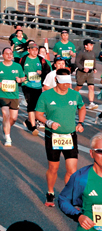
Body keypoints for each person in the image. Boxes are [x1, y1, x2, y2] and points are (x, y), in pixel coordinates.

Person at [35, 68, 86, 207]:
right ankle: (50, 192)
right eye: (63, 82)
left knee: (72, 169)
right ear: (56, 80)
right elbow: (38, 114)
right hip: (53, 136)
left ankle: (69, 195)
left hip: (70, 135)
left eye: (68, 82)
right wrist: (49, 122)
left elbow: (82, 107)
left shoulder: (75, 95)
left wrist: (80, 123)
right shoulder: (46, 96)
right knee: (53, 168)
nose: (66, 85)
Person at [59, 132, 102, 231]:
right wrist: (79, 216)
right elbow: (63, 199)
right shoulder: (81, 177)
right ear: (92, 153)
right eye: (100, 151)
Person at [0, 47, 26, 147]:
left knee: (13, 118)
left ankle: (5, 126)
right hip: (2, 94)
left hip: (14, 95)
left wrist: (20, 80)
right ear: (3, 55)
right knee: (5, 114)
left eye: (11, 53)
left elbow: (23, 77)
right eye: (7, 53)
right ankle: (8, 137)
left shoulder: (17, 66)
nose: (9, 55)